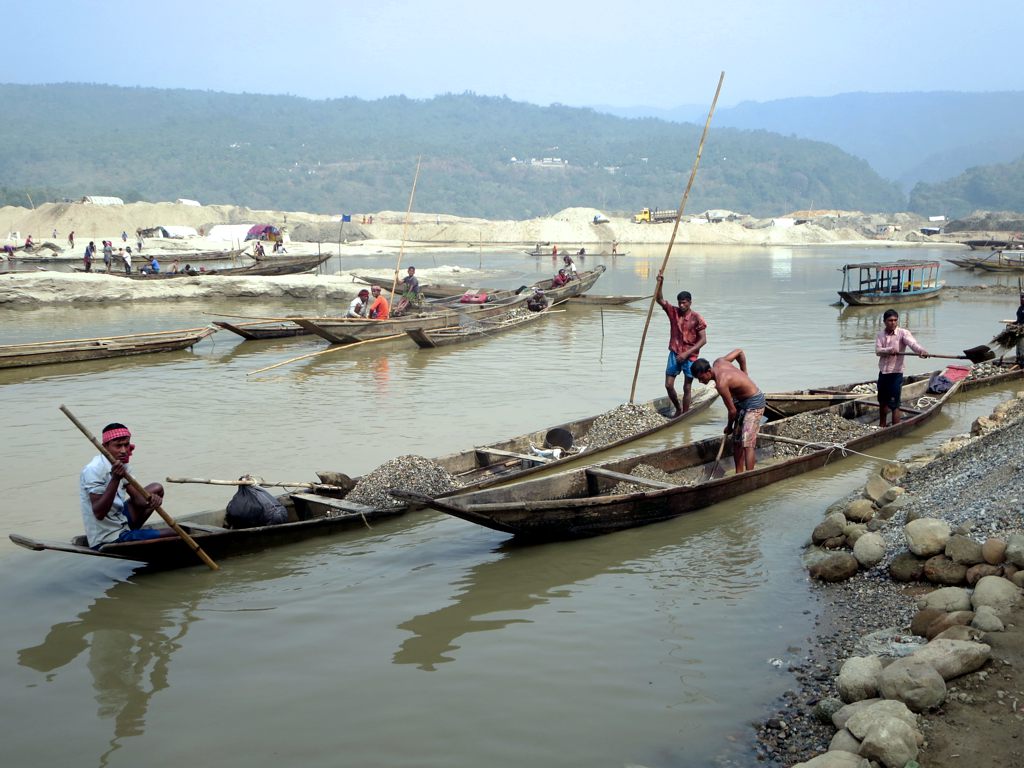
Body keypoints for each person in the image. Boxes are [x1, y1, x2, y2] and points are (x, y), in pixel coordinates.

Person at [80, 422, 176, 548]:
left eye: (126, 445)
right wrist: (115, 479)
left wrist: (151, 501)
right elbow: (99, 513)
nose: (124, 450)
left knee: (157, 488)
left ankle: (132, 533)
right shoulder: (93, 470)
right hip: (106, 536)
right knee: (174, 533)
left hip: (119, 521)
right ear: (105, 447)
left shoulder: (122, 464)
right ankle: (129, 537)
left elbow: (137, 499)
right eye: (118, 446)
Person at [691, 350, 766, 474]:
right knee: (737, 442)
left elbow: (732, 411)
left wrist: (729, 426)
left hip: (754, 403)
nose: (700, 381)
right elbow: (739, 352)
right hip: (741, 402)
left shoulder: (721, 383)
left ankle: (749, 477)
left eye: (701, 378)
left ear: (708, 372)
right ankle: (738, 474)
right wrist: (744, 372)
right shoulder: (719, 361)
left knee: (747, 442)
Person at [655, 274, 707, 415]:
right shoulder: (674, 313)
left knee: (687, 387)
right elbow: (659, 299)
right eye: (680, 303)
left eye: (684, 303)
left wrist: (686, 353)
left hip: (690, 357)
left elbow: (703, 340)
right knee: (668, 385)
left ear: (690, 302)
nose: (681, 305)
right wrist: (660, 283)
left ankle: (684, 413)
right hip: (674, 353)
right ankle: (678, 409)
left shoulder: (697, 318)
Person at [875, 308, 929, 427]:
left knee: (894, 404)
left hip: (896, 373)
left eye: (895, 320)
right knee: (882, 402)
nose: (893, 322)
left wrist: (921, 351)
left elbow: (912, 344)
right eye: (890, 320)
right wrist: (889, 350)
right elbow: (878, 351)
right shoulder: (880, 335)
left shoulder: (903, 333)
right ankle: (881, 426)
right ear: (884, 321)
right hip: (883, 373)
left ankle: (895, 428)